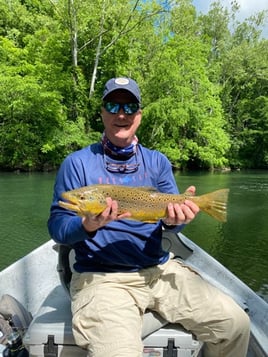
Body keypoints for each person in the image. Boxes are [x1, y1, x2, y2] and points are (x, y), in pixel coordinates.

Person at [48, 77, 250, 357]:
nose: (121, 114)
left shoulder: (158, 162)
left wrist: (177, 220)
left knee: (236, 324)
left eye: (129, 107)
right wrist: (87, 224)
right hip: (103, 278)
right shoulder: (77, 164)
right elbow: (58, 227)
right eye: (113, 105)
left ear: (139, 115)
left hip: (160, 270)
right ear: (102, 113)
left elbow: (171, 225)